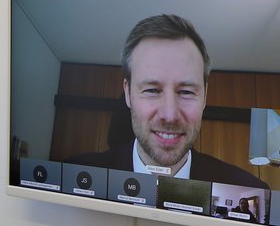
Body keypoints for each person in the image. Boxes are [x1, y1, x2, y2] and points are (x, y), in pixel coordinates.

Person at [67, 14, 268, 190]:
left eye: (186, 92)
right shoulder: (71, 175)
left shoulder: (250, 192)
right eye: (152, 90)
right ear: (127, 93)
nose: (170, 115)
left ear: (205, 96)